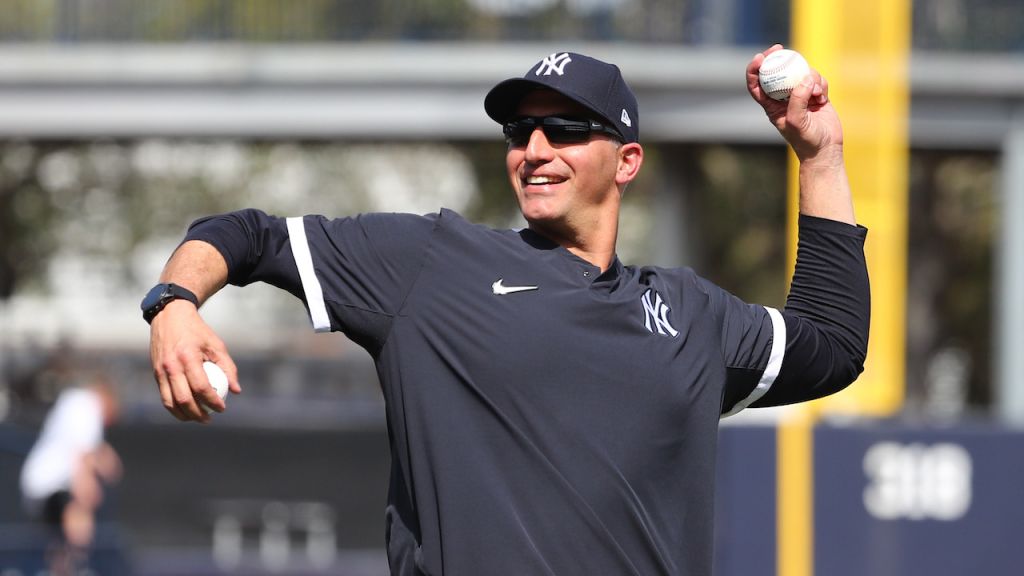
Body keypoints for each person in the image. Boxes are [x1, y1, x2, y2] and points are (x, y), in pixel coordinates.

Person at [144, 46, 869, 575]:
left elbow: (834, 345)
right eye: (520, 132)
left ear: (627, 161)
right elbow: (248, 235)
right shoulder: (431, 265)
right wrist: (175, 302)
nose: (536, 149)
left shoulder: (690, 314)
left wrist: (821, 157)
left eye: (568, 129)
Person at [20, 373, 122, 574]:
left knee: (58, 541)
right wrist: (87, 490)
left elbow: (89, 450)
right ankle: (79, 566)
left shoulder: (72, 402)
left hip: (35, 485)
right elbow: (83, 456)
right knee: (79, 511)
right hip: (52, 485)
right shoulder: (88, 406)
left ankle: (61, 569)